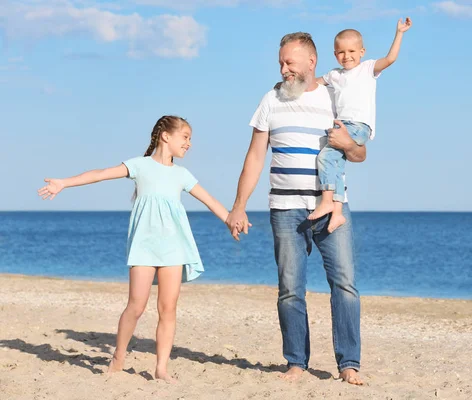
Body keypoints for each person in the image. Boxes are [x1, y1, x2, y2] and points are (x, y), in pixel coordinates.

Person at [37, 115, 230, 383]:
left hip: (174, 248)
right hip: (144, 247)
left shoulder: (182, 174)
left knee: (168, 309)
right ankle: (119, 355)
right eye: (185, 137)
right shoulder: (140, 166)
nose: (189, 144)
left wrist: (232, 220)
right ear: (166, 136)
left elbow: (211, 201)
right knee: (136, 307)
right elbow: (100, 175)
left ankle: (161, 367)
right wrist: (64, 183)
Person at [226, 32, 367, 385]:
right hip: (285, 210)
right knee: (290, 289)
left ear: (311, 62)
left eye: (290, 62)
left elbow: (359, 154)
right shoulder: (271, 99)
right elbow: (255, 156)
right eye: (280, 63)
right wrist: (239, 206)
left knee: (345, 286)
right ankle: (296, 362)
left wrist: (349, 143)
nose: (284, 69)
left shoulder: (336, 97)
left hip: (333, 206)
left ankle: (349, 364)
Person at [307, 17, 413, 233]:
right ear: (335, 54)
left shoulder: (367, 68)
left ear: (362, 52)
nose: (347, 56)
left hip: (357, 125)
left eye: (352, 51)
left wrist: (400, 33)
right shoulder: (335, 75)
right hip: (342, 125)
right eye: (341, 52)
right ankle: (337, 213)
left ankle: (327, 202)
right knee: (335, 164)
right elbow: (314, 83)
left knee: (326, 157)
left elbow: (390, 58)